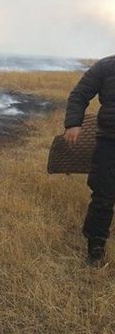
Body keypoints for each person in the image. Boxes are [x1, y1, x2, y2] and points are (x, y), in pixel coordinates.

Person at [64, 54, 115, 266]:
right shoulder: (106, 66)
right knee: (104, 195)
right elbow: (79, 95)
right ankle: (96, 244)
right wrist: (73, 123)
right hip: (109, 141)